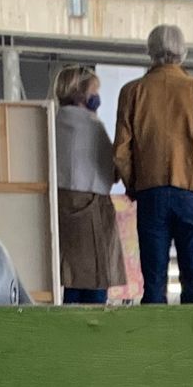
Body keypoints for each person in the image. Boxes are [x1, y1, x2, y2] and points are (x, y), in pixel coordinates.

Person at [113, 24, 193, 304]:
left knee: (153, 284)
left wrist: (134, 182)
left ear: (149, 52)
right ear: (183, 52)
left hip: (150, 192)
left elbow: (121, 152)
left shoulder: (132, 91)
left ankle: (154, 331)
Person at [52, 63, 123, 305]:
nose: (97, 97)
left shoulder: (52, 121)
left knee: (70, 279)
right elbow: (110, 170)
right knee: (95, 280)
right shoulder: (92, 125)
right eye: (94, 91)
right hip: (91, 206)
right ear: (80, 93)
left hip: (59, 203)